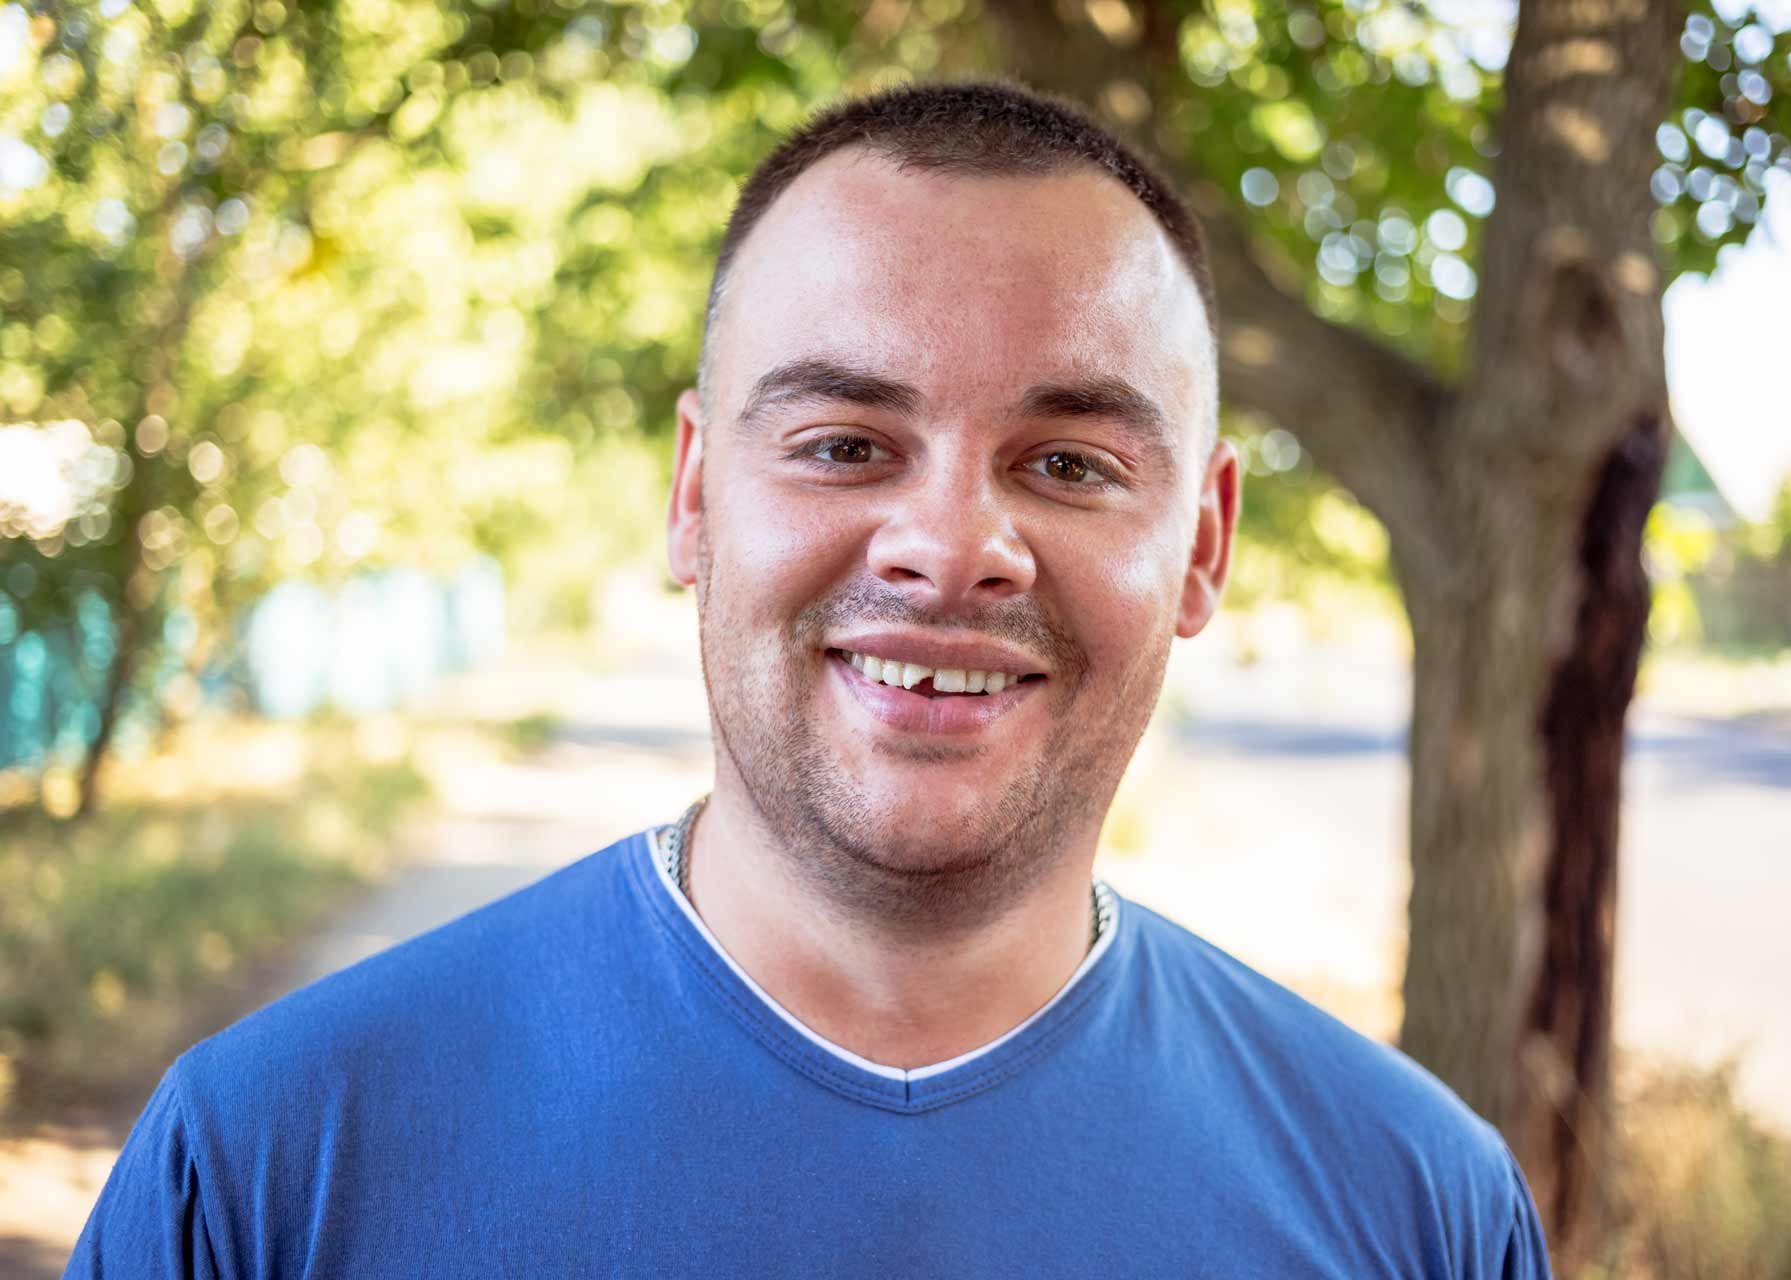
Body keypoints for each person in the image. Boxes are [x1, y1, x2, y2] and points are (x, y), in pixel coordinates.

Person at [68, 81, 1550, 1277]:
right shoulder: (268, 1167)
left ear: (1205, 542)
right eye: (845, 442)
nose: (953, 546)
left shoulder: (1417, 1211)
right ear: (696, 496)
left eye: (1071, 464)